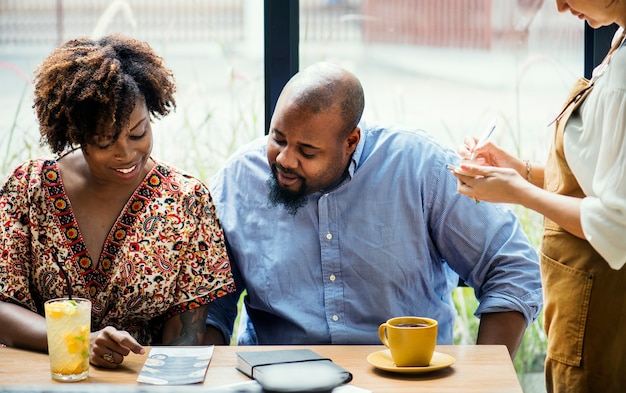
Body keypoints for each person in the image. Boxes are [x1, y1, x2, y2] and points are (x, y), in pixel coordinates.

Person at [203, 61, 542, 359]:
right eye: (278, 139)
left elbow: (511, 267)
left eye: (307, 151)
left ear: (351, 141)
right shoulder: (238, 180)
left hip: (407, 382)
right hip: (276, 381)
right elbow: (207, 300)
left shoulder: (421, 168)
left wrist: (482, 377)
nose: (285, 159)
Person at [0, 34, 235, 368]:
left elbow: (185, 333)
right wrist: (79, 342)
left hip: (143, 381)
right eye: (105, 141)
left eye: (138, 133)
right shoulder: (29, 189)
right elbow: (3, 309)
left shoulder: (186, 202)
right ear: (76, 133)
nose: (126, 153)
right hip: (45, 377)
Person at [449, 1, 626, 392]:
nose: (561, 7)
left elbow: (616, 224)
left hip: (604, 309)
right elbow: (597, 179)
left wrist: (518, 192)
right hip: (582, 304)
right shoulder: (619, 40)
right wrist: (519, 170)